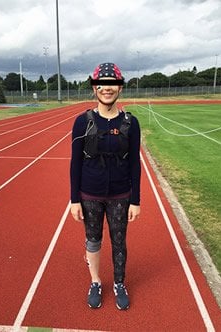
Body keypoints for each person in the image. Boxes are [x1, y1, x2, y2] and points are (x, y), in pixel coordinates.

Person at [69, 62, 141, 310]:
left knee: (119, 241)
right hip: (90, 194)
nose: (107, 88)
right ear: (95, 87)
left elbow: (135, 163)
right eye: (103, 83)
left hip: (121, 194)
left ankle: (119, 283)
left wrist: (136, 200)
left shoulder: (131, 123)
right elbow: (75, 163)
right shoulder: (82, 122)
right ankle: (96, 281)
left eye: (113, 83)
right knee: (93, 239)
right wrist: (74, 199)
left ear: (120, 87)